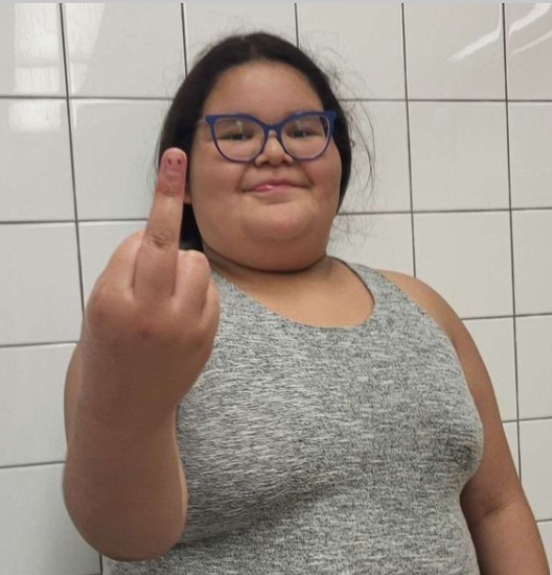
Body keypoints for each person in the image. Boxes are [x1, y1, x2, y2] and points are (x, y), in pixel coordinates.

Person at [63, 32, 550, 575]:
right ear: (185, 177)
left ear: (338, 158)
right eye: (238, 134)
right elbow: (121, 536)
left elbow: (497, 507)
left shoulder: (424, 309)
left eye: (302, 130)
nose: (275, 151)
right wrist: (132, 390)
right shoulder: (149, 326)